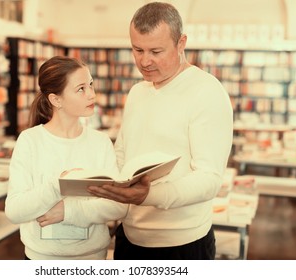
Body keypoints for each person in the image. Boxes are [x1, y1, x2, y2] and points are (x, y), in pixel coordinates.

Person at [87, 2, 233, 260]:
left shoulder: (207, 92)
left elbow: (209, 178)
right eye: (137, 49)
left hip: (183, 242)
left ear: (181, 43)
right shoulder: (137, 92)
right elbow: (122, 153)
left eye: (156, 51)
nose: (144, 61)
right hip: (130, 235)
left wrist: (148, 195)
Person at [5, 56, 127, 260]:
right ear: (56, 99)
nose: (92, 94)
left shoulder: (100, 142)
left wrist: (67, 211)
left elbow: (117, 205)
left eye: (91, 85)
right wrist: (58, 186)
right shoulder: (30, 141)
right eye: (81, 89)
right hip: (41, 260)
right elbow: (15, 211)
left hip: (92, 258)